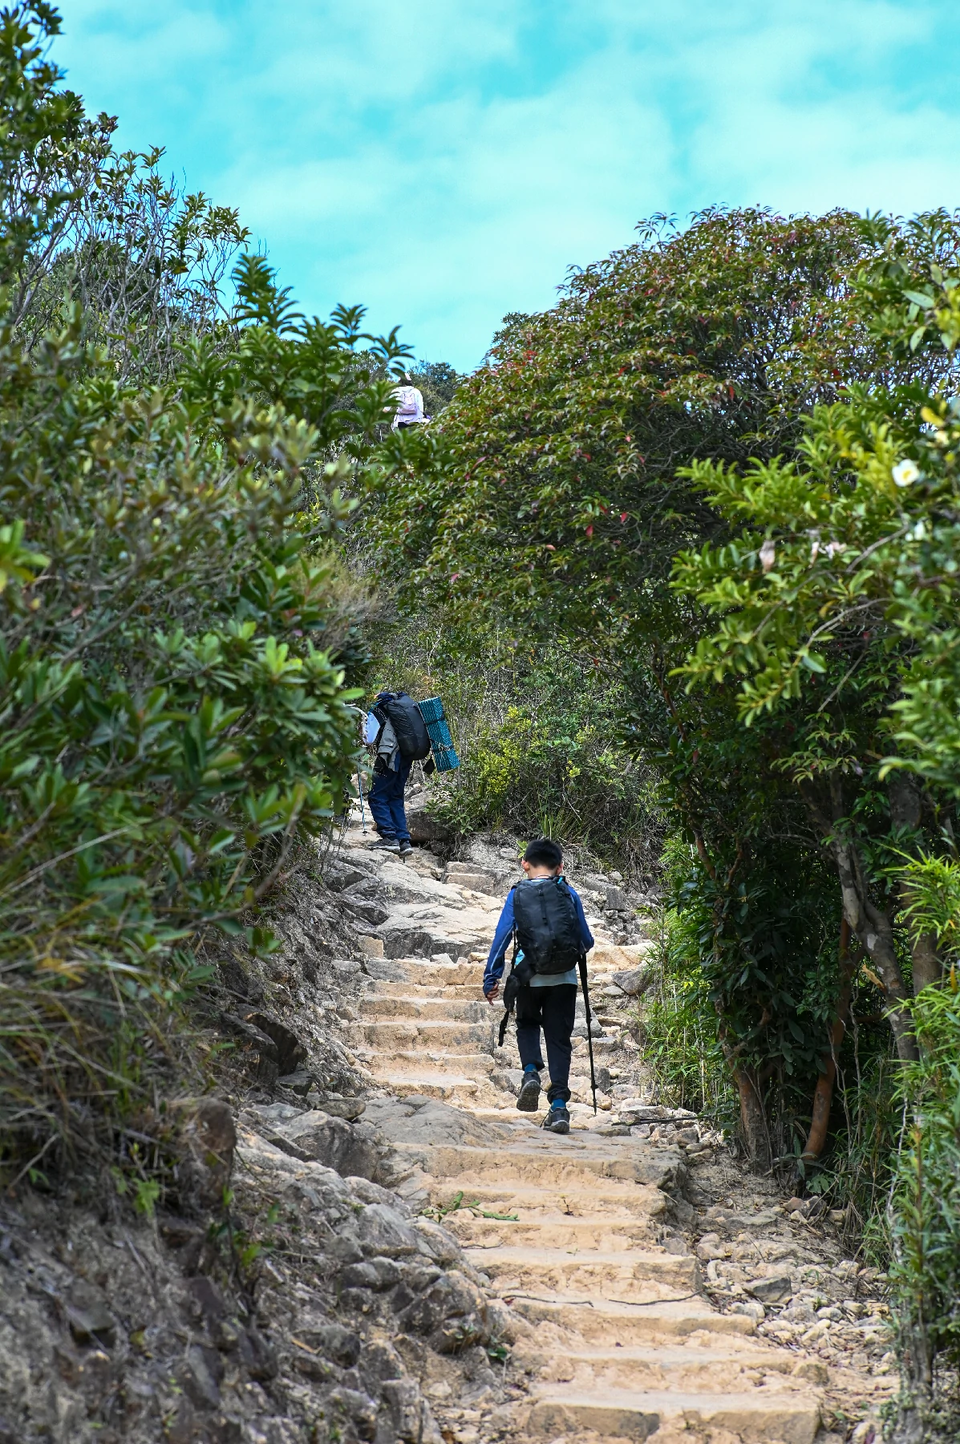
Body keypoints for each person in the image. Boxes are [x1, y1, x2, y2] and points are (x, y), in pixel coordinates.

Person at [483, 838, 594, 1135]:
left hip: (528, 976)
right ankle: (559, 1108)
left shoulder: (517, 894)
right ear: (560, 867)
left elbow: (502, 938)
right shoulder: (568, 892)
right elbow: (587, 940)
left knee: (528, 1024)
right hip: (564, 980)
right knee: (559, 1040)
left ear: (525, 864)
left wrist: (490, 978)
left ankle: (531, 1072)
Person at [363, 690, 431, 855]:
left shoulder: (380, 708)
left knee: (376, 795)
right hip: (407, 757)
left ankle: (389, 837)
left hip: (389, 756)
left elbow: (368, 738)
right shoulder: (410, 707)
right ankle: (404, 840)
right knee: (395, 796)